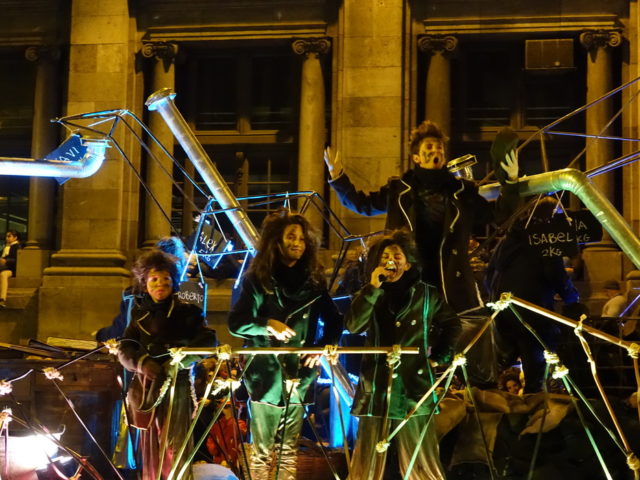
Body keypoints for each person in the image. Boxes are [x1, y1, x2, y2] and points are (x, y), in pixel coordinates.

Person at [325, 120, 520, 387]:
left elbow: (498, 215)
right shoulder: (400, 190)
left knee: (467, 341)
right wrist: (338, 177)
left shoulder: (462, 191)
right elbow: (363, 204)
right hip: (410, 279)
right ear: (416, 157)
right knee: (405, 345)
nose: (435, 151)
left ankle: (470, 394)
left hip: (451, 280)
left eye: (438, 147)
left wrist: (511, 182)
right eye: (428, 148)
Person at [228, 210, 343, 480]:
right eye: (291, 237)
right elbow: (236, 322)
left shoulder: (314, 283)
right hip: (265, 376)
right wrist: (267, 324)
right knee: (261, 451)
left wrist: (323, 345)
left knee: (288, 451)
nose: (297, 243)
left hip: (299, 374)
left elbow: (335, 320)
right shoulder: (258, 280)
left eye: (302, 239)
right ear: (276, 241)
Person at [345, 230, 461, 480]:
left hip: (414, 385)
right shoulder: (369, 292)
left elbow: (452, 324)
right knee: (367, 458)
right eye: (385, 256)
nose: (391, 261)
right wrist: (372, 288)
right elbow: (354, 326)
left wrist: (438, 358)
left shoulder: (427, 295)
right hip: (376, 384)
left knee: (421, 456)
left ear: (408, 263)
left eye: (397, 256)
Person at [117, 250, 217, 480]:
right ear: (145, 284)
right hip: (148, 387)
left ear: (173, 282)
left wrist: (181, 360)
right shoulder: (139, 315)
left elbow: (208, 340)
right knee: (150, 448)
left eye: (166, 279)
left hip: (177, 385)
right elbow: (125, 348)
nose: (160, 284)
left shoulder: (188, 313)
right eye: (154, 279)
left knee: (175, 444)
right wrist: (143, 364)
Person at [487, 197, 581, 393]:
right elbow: (555, 272)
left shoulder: (507, 241)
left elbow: (490, 274)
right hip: (532, 309)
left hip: (503, 309)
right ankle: (534, 400)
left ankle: (492, 397)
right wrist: (572, 300)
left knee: (502, 361)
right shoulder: (543, 240)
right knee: (535, 365)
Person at [0, 230, 20, 308]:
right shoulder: (6, 247)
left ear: (15, 237)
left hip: (10, 269)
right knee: (3, 274)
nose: (7, 238)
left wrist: (6, 261)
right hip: (3, 268)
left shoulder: (17, 247)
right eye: (6, 236)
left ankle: (2, 299)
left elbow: (18, 260)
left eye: (9, 236)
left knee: (3, 274)